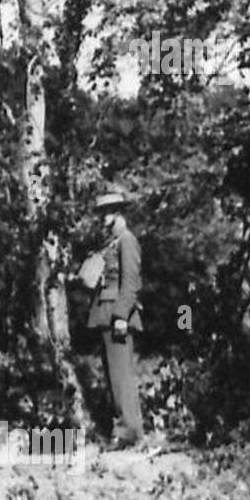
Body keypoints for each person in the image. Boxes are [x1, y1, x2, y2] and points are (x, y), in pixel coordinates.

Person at [84, 190, 144, 448]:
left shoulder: (127, 240)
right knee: (112, 378)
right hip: (105, 314)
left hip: (117, 315)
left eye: (109, 211)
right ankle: (122, 430)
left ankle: (130, 431)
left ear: (119, 212)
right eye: (102, 212)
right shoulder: (111, 242)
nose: (104, 216)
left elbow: (131, 282)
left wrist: (121, 316)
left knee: (122, 378)